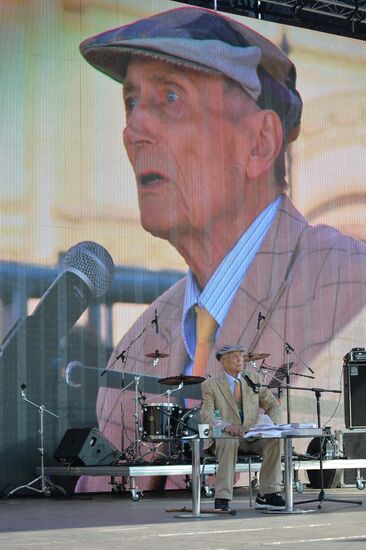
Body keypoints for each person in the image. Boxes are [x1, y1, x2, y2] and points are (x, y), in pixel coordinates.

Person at [77, 6, 366, 492]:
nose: (133, 131)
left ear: (259, 142)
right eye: (131, 102)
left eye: (170, 96)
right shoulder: (131, 353)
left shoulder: (349, 283)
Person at [200, 344, 284, 511]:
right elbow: (206, 415)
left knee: (274, 440)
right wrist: (226, 426)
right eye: (234, 356)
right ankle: (222, 497)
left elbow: (273, 405)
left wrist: (272, 426)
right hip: (225, 435)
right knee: (228, 440)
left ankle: (267, 494)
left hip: (251, 435)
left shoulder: (254, 378)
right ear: (223, 362)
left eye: (240, 355)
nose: (239, 359)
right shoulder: (210, 384)